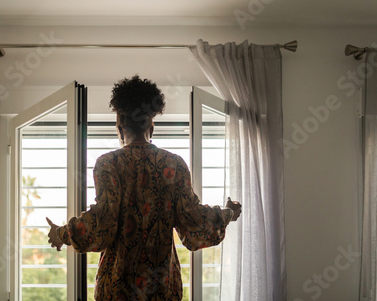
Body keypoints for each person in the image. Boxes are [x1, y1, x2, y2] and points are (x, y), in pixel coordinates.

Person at [47, 75, 241, 301]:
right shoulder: (173, 164)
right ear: (152, 125)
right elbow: (193, 222)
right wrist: (228, 214)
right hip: (161, 288)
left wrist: (61, 234)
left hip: (117, 290)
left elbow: (101, 225)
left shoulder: (108, 164)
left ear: (119, 125)